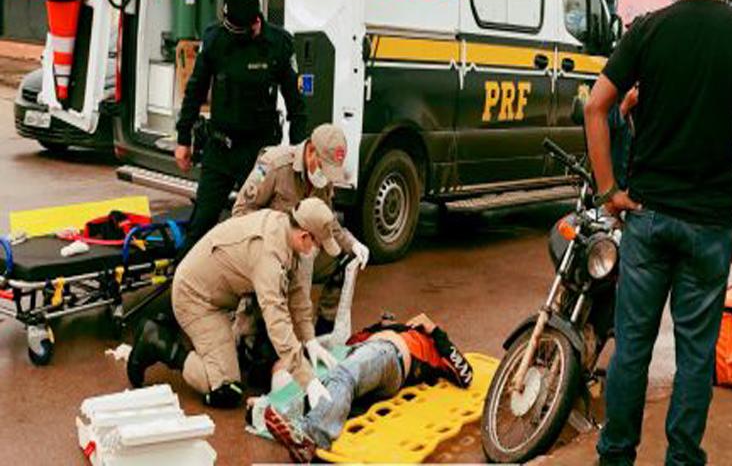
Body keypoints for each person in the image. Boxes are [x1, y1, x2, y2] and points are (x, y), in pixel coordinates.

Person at [585, 0, 732, 466]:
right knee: (695, 358)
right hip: (710, 225)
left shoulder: (648, 30)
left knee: (632, 351)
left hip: (646, 216)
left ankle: (616, 456)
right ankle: (683, 459)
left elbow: (595, 106)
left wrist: (608, 193)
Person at [126, 198, 339, 409]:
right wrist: (308, 381)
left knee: (251, 363)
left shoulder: (285, 229)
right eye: (318, 245)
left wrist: (310, 341)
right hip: (196, 298)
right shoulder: (268, 256)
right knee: (226, 390)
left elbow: (298, 295)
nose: (317, 252)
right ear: (304, 236)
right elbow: (278, 323)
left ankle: (217, 349)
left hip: (220, 295)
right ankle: (157, 341)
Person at [175, 0, 307, 251]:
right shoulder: (216, 38)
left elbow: (296, 104)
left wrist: (298, 155)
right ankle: (184, 282)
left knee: (260, 226)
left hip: (258, 153)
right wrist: (183, 138)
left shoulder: (279, 44)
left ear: (255, 23)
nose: (231, 34)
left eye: (237, 31)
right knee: (202, 221)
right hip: (220, 147)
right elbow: (195, 90)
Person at [262, 313, 473, 463]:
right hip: (360, 357)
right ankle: (276, 410)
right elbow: (348, 345)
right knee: (299, 373)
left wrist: (434, 330)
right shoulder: (376, 332)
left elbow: (466, 374)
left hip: (390, 356)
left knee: (342, 376)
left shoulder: (427, 341)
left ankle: (311, 436)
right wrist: (378, 327)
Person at [233, 123, 370, 337]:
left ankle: (323, 334)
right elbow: (241, 212)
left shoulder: (323, 178)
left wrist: (351, 243)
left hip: (302, 250)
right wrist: (280, 233)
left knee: (345, 260)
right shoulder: (273, 165)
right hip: (266, 250)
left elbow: (326, 220)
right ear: (311, 150)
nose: (325, 176)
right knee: (254, 331)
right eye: (323, 167)